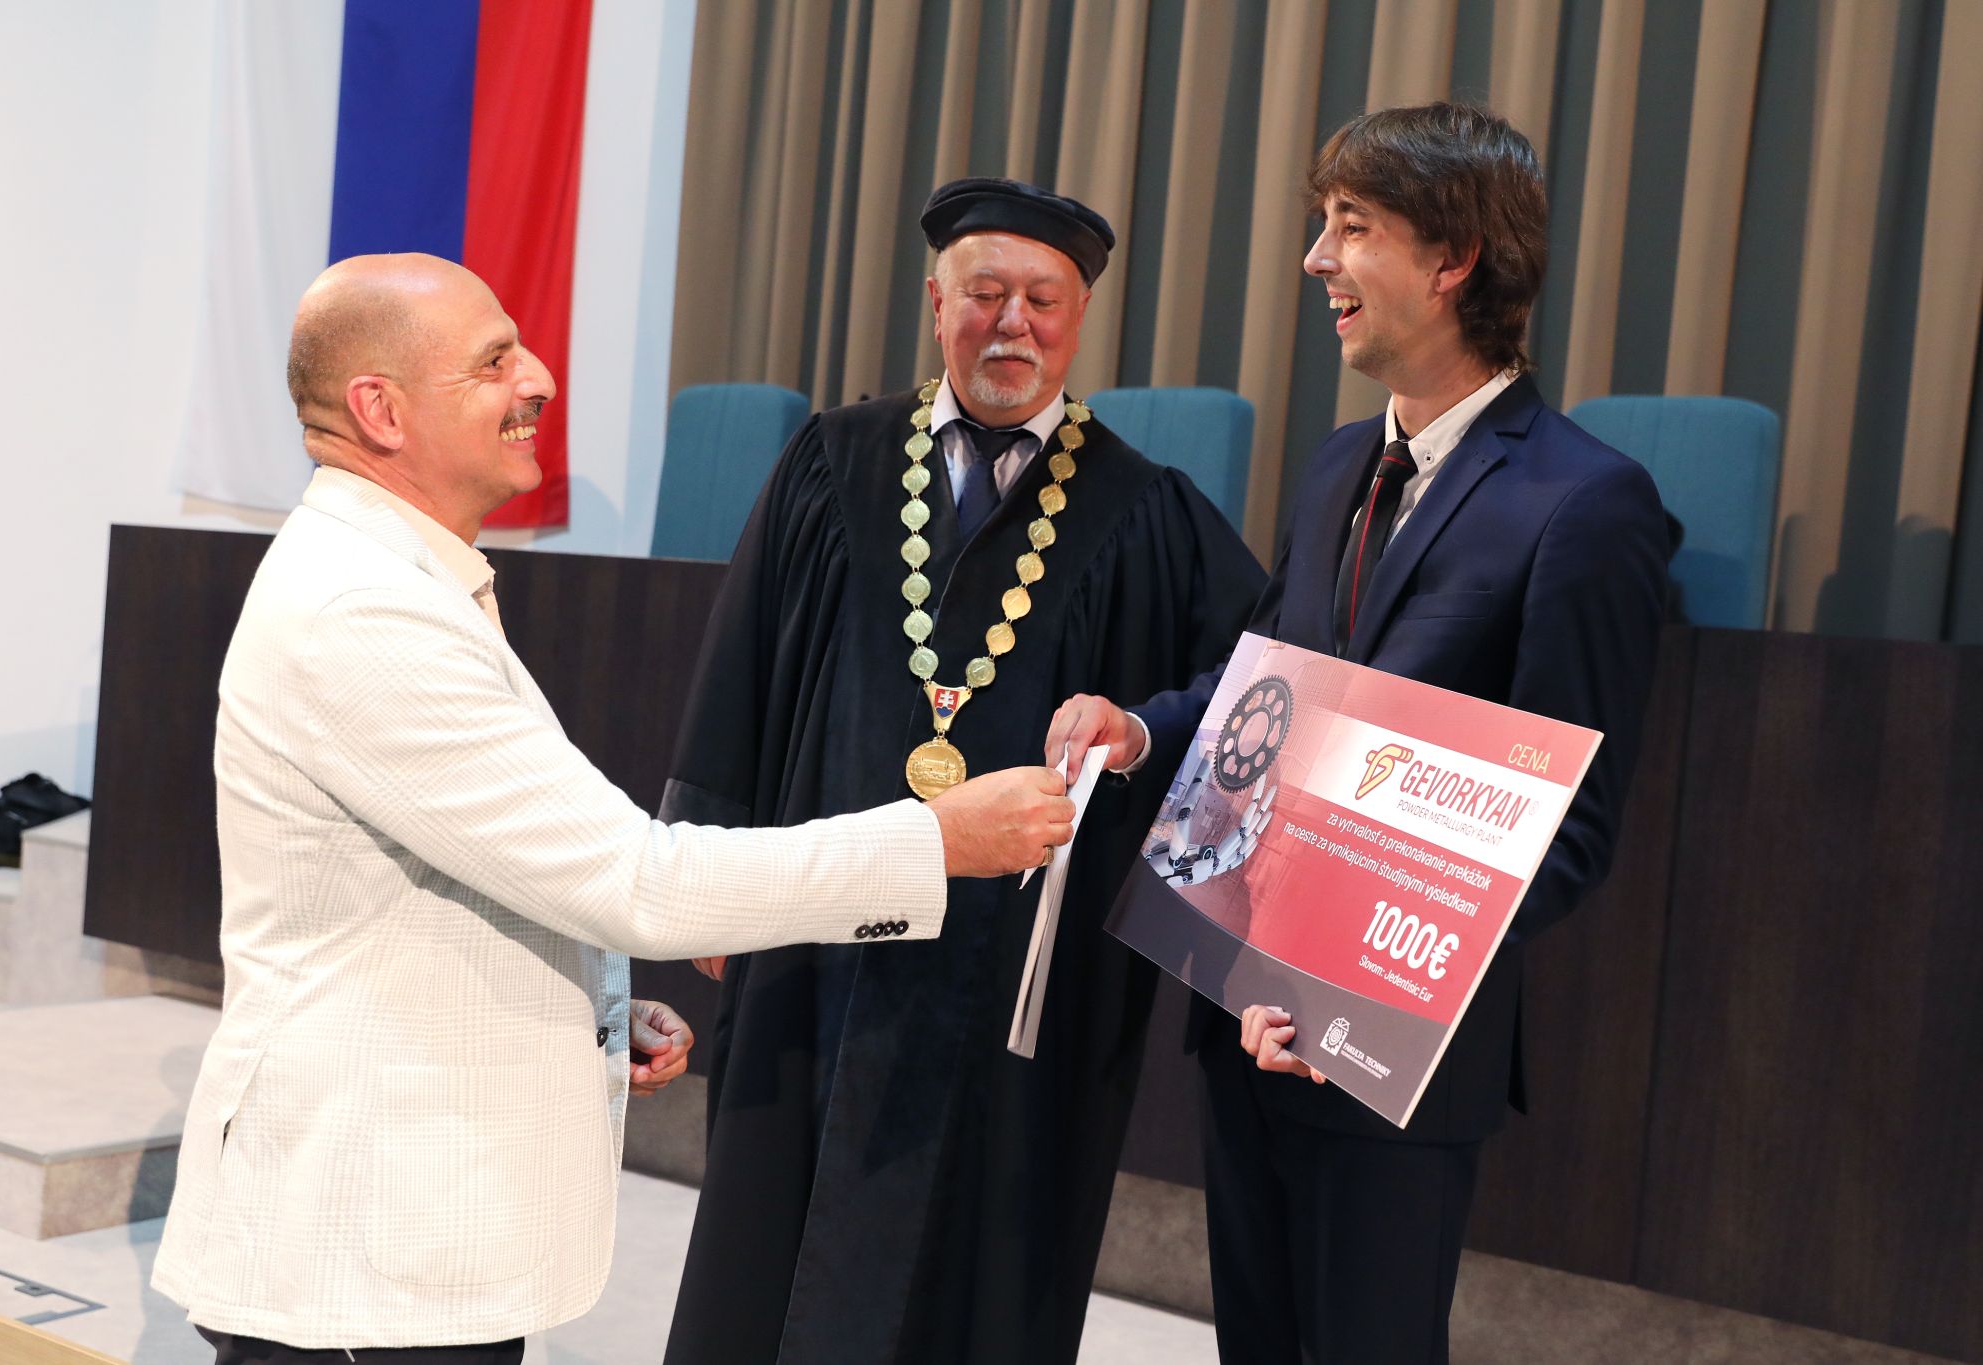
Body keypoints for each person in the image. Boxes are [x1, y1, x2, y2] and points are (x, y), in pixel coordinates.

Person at [149, 253, 1074, 1364]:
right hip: (361, 1248)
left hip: (396, 1234)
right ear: (379, 410)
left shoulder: (397, 577)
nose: (537, 378)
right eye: (492, 363)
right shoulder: (363, 612)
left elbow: (447, 876)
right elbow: (639, 883)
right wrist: (935, 843)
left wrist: (572, 1006)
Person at [1047, 104, 1670, 1363]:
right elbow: (1263, 685)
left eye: (1351, 228)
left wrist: (1344, 997)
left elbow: (1569, 827)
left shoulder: (1586, 505)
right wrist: (1141, 728)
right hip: (1246, 1010)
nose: (1313, 261)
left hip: (1388, 1059)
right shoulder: (1338, 463)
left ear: (1451, 262)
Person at [660, 179, 1266, 1365]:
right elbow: (735, 670)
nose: (1013, 324)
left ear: (1078, 318)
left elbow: (1254, 694)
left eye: (1043, 299)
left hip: (1019, 975)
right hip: (815, 929)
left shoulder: (1144, 510)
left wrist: (1135, 724)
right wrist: (706, 865)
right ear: (935, 303)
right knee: (770, 1230)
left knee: (986, 1259)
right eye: (984, 293)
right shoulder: (834, 462)